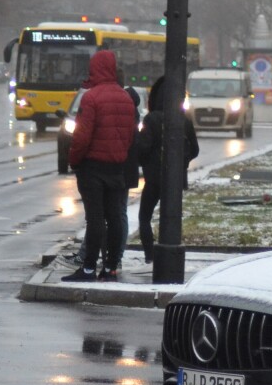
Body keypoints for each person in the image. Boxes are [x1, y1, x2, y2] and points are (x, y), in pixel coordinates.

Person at [61, 51, 136, 282]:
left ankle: (88, 268)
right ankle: (111, 267)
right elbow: (130, 134)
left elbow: (82, 137)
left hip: (92, 167)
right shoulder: (126, 99)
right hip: (116, 167)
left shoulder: (91, 98)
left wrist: (74, 161)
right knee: (115, 217)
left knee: (95, 220)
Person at [135, 75, 199, 263]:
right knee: (170, 217)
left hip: (154, 179)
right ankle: (169, 251)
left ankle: (150, 255)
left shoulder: (151, 119)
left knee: (144, 217)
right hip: (176, 179)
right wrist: (182, 162)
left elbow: (143, 147)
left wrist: (145, 162)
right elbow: (195, 149)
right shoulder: (184, 120)